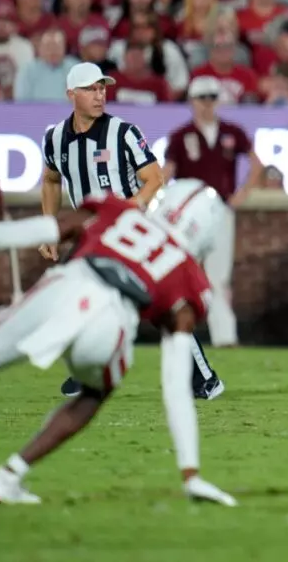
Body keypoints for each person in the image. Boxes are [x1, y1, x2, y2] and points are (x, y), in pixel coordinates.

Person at [0, 180, 235, 506]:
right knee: (94, 394)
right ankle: (7, 477)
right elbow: (176, 387)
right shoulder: (191, 280)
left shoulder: (118, 210)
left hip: (65, 288)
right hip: (109, 326)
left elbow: (29, 231)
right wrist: (190, 473)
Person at [40, 62, 223, 399]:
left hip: (129, 231)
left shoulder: (123, 132)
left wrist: (128, 213)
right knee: (81, 300)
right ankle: (86, 374)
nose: (99, 95)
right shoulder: (54, 138)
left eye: (102, 88)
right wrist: (50, 227)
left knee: (162, 303)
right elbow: (51, 179)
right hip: (92, 235)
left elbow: (154, 179)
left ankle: (205, 379)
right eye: (91, 89)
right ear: (71, 94)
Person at [163, 76, 264, 348]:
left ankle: (224, 336)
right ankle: (179, 331)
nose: (207, 104)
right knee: (183, 272)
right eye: (201, 98)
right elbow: (167, 173)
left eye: (211, 98)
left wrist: (243, 193)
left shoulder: (232, 131)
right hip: (191, 215)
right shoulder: (180, 136)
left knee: (219, 276)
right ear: (192, 101)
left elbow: (257, 165)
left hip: (219, 209)